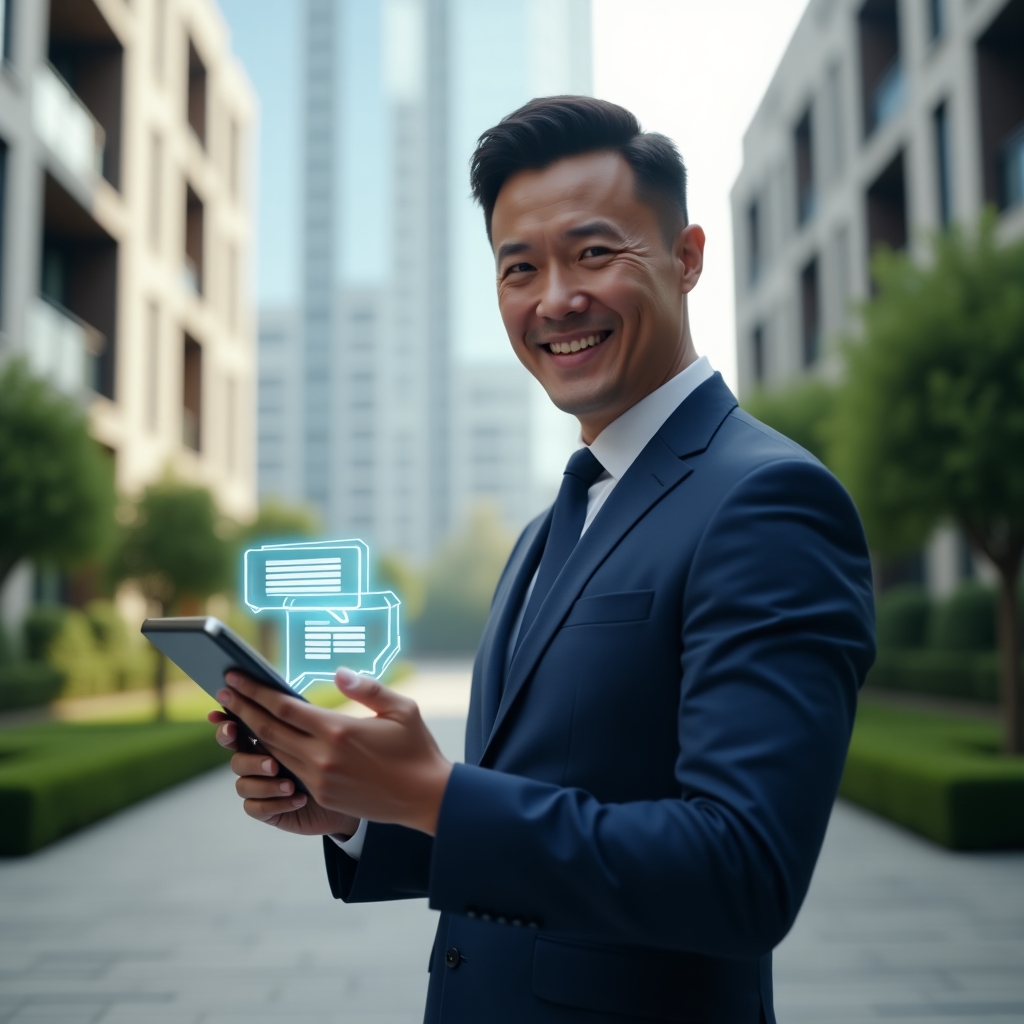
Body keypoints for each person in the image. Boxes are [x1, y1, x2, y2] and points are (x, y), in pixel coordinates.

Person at [212, 96, 875, 1023]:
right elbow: (544, 806)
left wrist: (437, 794)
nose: (555, 298)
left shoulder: (769, 500)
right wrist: (367, 814)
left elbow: (742, 871)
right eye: (519, 268)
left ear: (686, 258)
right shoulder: (545, 529)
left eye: (595, 253)